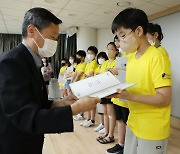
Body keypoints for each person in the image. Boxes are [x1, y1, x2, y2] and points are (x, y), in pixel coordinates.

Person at [0, 7, 100, 154]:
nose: (55, 43)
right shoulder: (12, 62)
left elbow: (34, 101)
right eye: (52, 37)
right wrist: (76, 108)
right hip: (15, 144)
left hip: (30, 141)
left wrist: (62, 102)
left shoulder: (32, 61)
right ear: (32, 31)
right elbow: (25, 116)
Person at [109, 8, 172, 154]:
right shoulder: (131, 58)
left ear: (138, 31)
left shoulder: (157, 57)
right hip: (133, 123)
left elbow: (164, 98)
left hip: (152, 128)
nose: (120, 42)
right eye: (118, 37)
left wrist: (128, 96)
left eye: (123, 35)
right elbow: (131, 84)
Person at [97, 42, 118, 144]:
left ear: (116, 51)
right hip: (103, 90)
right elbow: (102, 75)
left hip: (111, 90)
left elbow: (114, 75)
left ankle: (111, 135)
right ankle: (106, 132)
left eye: (111, 49)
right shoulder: (105, 63)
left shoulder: (117, 62)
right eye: (108, 49)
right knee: (105, 111)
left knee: (111, 113)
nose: (109, 51)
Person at [79, 46, 98, 127]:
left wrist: (87, 76)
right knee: (88, 103)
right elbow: (86, 74)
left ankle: (92, 119)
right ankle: (88, 118)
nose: (89, 55)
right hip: (87, 85)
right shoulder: (88, 63)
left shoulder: (94, 63)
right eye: (88, 53)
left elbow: (91, 74)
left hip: (92, 85)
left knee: (92, 103)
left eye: (91, 53)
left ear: (95, 54)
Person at [93, 52, 108, 133]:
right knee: (101, 109)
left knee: (106, 110)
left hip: (105, 89)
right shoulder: (98, 67)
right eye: (99, 58)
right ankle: (102, 124)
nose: (100, 59)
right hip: (99, 89)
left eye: (102, 58)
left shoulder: (106, 65)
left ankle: (106, 125)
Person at [71, 50, 87, 120]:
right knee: (78, 99)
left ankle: (81, 114)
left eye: (79, 56)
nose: (77, 58)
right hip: (77, 84)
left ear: (83, 57)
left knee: (81, 100)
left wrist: (73, 83)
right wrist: (71, 82)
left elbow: (78, 75)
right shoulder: (78, 65)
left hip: (81, 84)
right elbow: (75, 74)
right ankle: (79, 113)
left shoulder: (84, 64)